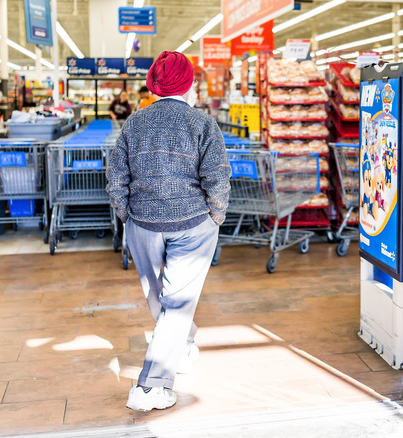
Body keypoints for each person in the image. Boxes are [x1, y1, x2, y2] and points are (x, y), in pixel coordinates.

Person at [107, 51, 231, 412]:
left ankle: (183, 342)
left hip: (142, 223)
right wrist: (216, 216)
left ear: (154, 84)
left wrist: (126, 215)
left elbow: (116, 179)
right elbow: (218, 178)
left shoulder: (134, 123)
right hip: (193, 224)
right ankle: (149, 387)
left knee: (157, 294)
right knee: (177, 302)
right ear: (189, 83)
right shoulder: (203, 124)